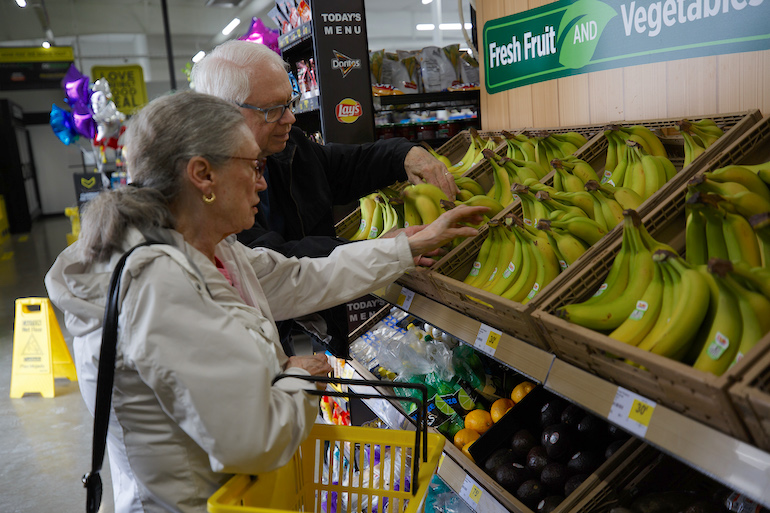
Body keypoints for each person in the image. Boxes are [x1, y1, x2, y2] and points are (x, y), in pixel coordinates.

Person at [44, 91, 485, 513]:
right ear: (203, 175)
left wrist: (406, 247)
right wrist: (297, 377)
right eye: (253, 166)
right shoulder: (157, 286)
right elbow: (251, 438)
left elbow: (296, 277)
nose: (261, 181)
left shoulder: (212, 249)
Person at [191, 40, 460, 357]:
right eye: (274, 109)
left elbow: (348, 166)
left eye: (290, 104)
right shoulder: (206, 205)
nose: (290, 118)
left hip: (315, 335)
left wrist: (404, 154)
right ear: (226, 114)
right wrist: (381, 249)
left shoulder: (291, 149)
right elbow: (280, 268)